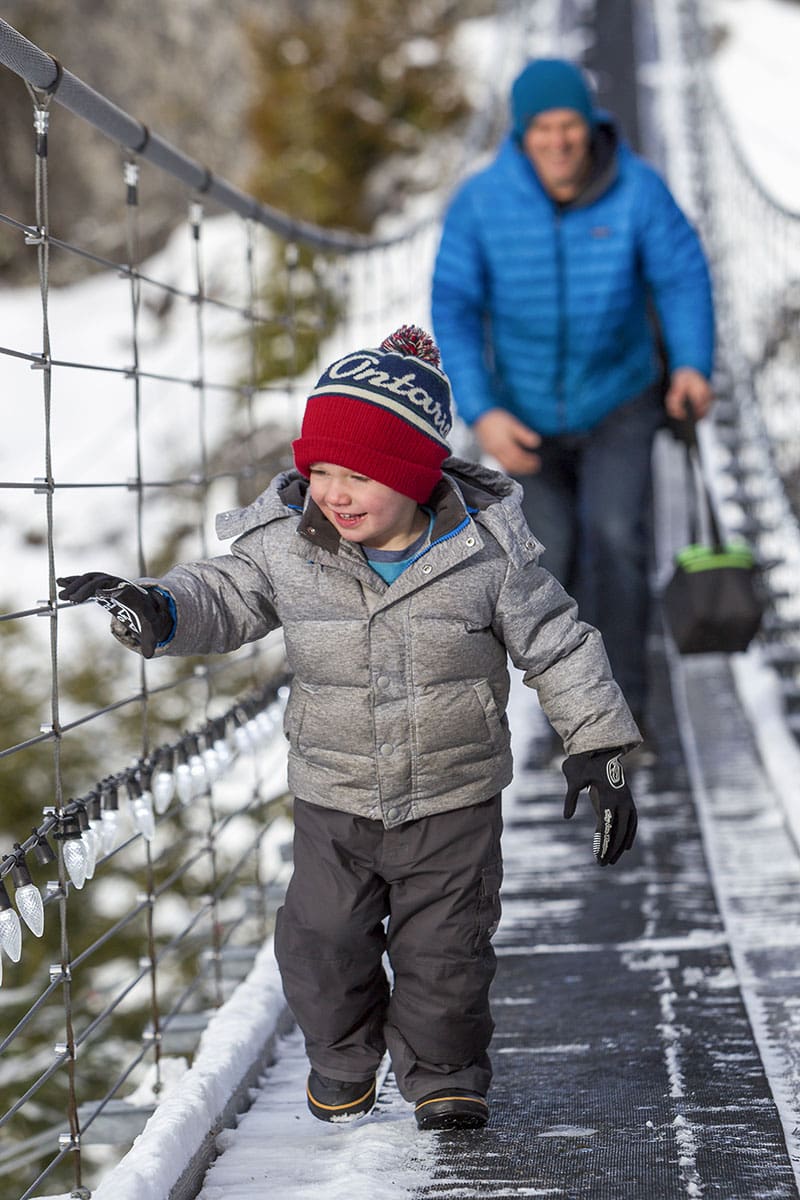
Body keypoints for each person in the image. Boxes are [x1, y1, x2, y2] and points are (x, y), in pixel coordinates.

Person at [57, 324, 640, 1132]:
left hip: (454, 797)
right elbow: (224, 593)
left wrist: (599, 744)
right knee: (322, 942)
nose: (334, 491)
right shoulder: (288, 547)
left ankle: (444, 1075)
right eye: (320, 470)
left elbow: (559, 644)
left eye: (359, 473)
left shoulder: (487, 556)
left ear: (415, 474)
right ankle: (341, 1057)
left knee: (448, 954)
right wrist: (158, 608)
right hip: (333, 795)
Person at [431, 58, 715, 734]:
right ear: (522, 133)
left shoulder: (638, 189)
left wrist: (692, 365)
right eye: (543, 128)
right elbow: (455, 306)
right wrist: (484, 412)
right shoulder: (480, 202)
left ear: (591, 125)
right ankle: (578, 705)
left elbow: (681, 276)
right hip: (523, 411)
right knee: (547, 558)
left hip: (620, 396)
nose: (558, 142)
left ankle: (625, 712)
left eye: (570, 126)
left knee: (616, 538)